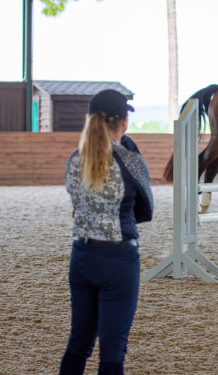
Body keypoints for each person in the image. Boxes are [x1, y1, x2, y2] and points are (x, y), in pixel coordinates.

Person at [59, 89, 153, 375]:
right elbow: (145, 211)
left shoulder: (75, 160)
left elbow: (77, 204)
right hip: (118, 258)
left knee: (78, 344)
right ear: (124, 121)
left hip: (82, 256)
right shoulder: (131, 160)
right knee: (112, 352)